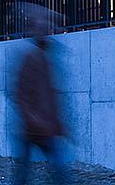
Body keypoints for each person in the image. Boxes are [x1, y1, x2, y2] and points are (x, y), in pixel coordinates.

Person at [11, 14, 72, 185]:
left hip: (42, 128)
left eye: (47, 30)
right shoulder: (31, 58)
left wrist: (58, 125)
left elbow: (51, 95)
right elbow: (19, 94)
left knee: (56, 171)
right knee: (26, 174)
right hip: (32, 129)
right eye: (43, 30)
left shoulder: (46, 57)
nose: (47, 33)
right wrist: (35, 120)